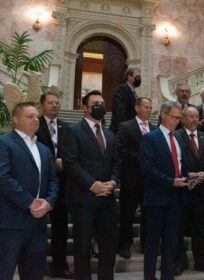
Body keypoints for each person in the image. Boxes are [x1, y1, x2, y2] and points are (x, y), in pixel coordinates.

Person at [62, 90, 120, 280]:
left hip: (107, 200)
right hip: (83, 199)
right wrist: (93, 185)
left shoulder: (110, 134)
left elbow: (116, 163)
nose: (100, 107)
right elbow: (71, 163)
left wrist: (112, 181)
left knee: (109, 246)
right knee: (82, 247)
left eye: (103, 104)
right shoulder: (73, 130)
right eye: (96, 104)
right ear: (85, 108)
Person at [0, 102, 58, 280]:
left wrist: (49, 202)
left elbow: (53, 181)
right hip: (10, 224)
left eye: (36, 116)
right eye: (29, 116)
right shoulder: (4, 143)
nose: (35, 120)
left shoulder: (44, 149)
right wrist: (29, 202)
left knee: (34, 274)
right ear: (15, 120)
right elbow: (3, 177)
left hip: (38, 225)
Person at [139, 101, 188, 280]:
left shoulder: (179, 139)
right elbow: (147, 169)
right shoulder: (150, 138)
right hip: (156, 200)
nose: (177, 121)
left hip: (176, 200)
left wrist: (189, 176)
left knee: (171, 245)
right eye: (174, 117)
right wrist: (170, 182)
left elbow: (180, 165)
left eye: (179, 118)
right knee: (152, 245)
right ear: (163, 115)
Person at [174, 106, 204, 276]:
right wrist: (188, 176)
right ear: (183, 118)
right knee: (178, 229)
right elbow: (174, 161)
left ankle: (202, 262)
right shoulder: (176, 137)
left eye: (196, 116)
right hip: (183, 190)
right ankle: (179, 262)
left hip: (203, 191)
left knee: (201, 230)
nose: (194, 119)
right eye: (190, 116)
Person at [36, 90, 73, 278]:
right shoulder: (35, 125)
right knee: (37, 229)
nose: (54, 105)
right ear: (42, 104)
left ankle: (60, 265)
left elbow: (72, 153)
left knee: (60, 229)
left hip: (62, 185)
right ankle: (35, 265)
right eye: (51, 102)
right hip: (39, 185)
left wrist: (64, 162)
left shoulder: (66, 127)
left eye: (57, 103)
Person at [117, 97, 156, 259]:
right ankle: (124, 245)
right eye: (146, 107)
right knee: (127, 213)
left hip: (150, 179)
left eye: (150, 107)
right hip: (131, 177)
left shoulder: (154, 128)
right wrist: (141, 157)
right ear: (137, 108)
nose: (148, 109)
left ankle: (146, 245)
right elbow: (120, 149)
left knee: (148, 213)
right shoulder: (125, 126)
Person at [109, 66, 141, 134]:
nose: (139, 79)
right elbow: (120, 112)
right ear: (129, 77)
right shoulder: (122, 89)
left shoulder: (133, 92)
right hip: (122, 131)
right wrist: (125, 129)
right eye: (137, 76)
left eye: (139, 77)